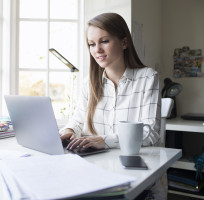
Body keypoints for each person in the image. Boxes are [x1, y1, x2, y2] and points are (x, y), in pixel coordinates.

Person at [60, 13, 165, 200]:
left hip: (136, 178)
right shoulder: (88, 83)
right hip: (95, 173)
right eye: (91, 44)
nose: (97, 49)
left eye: (104, 41)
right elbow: (78, 120)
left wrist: (104, 140)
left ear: (124, 42)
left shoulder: (148, 77)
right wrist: (68, 130)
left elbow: (151, 133)